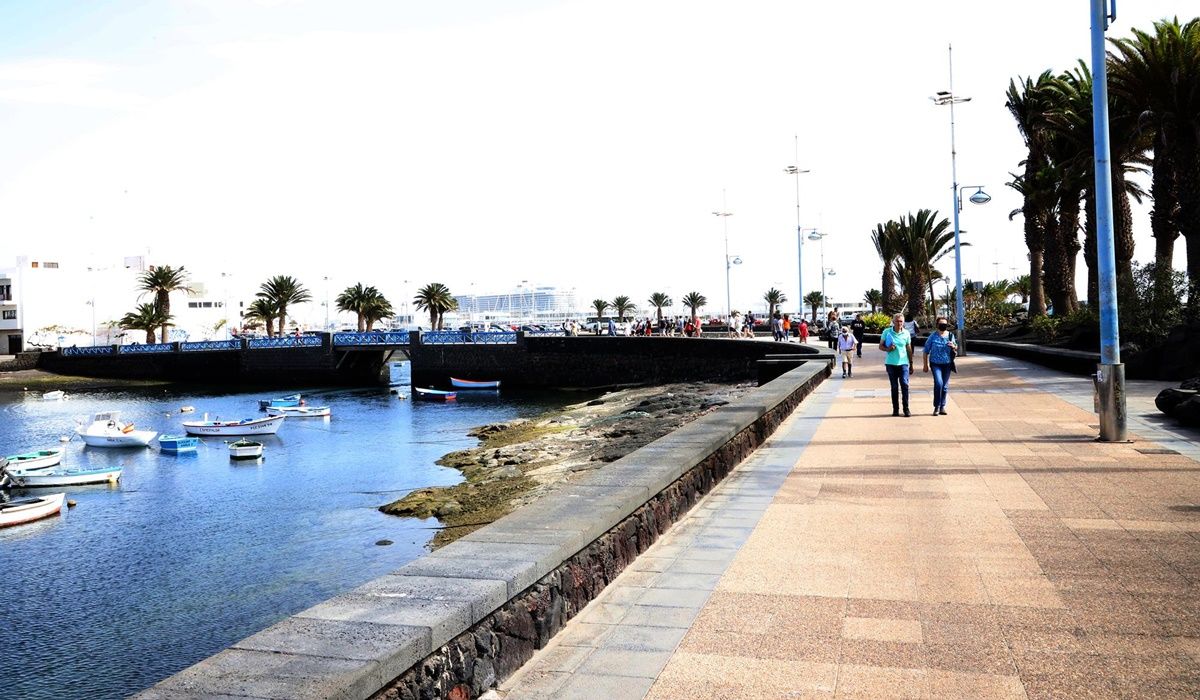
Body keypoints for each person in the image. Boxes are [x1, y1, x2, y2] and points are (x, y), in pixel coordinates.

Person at [922, 315, 958, 416]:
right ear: (937, 325)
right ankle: (936, 406)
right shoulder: (932, 336)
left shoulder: (950, 335)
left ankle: (942, 406)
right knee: (939, 383)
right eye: (941, 324)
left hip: (947, 364)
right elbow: (925, 351)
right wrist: (925, 365)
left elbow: (956, 347)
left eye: (945, 324)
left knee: (945, 386)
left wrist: (953, 346)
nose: (943, 326)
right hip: (935, 364)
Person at [879, 312, 913, 417]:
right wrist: (888, 349)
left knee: (905, 385)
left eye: (901, 321)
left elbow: (908, 348)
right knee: (894, 387)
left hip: (903, 363)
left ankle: (906, 409)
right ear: (893, 322)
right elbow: (880, 346)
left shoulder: (906, 333)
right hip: (891, 363)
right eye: (897, 321)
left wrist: (911, 363)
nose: (899, 323)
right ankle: (895, 409)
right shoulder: (887, 332)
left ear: (903, 322)